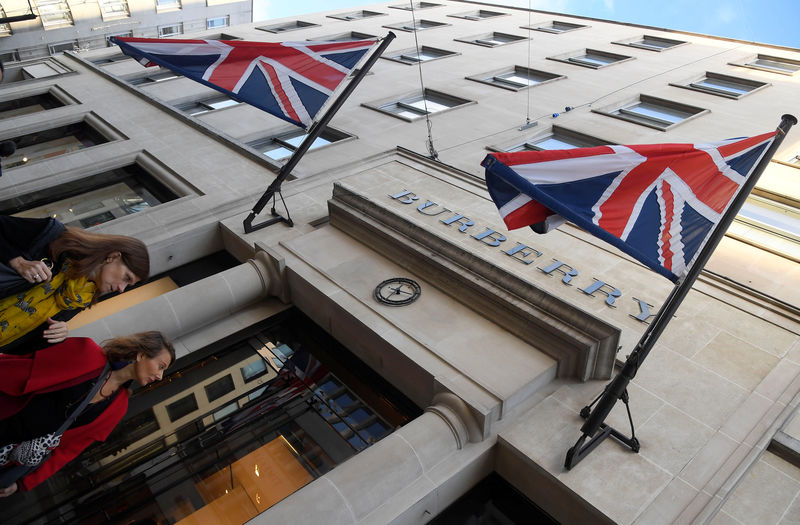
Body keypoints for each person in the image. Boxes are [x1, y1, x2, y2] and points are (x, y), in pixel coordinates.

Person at [0, 331, 175, 496]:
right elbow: (29, 367)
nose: (160, 376)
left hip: (8, 454)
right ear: (141, 354)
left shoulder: (119, 407)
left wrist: (24, 482)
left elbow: (68, 451)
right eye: (160, 366)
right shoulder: (88, 353)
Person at [0, 215, 149, 353]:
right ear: (113, 256)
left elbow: (21, 349)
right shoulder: (52, 235)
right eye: (126, 278)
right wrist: (17, 261)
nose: (121, 288)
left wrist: (54, 334)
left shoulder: (79, 300)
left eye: (128, 285)